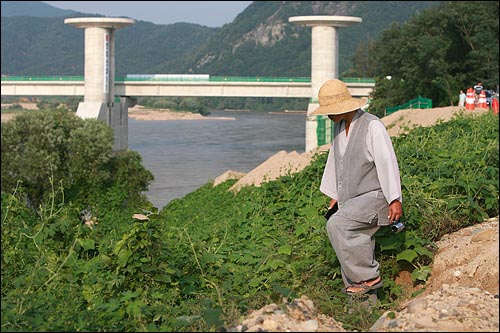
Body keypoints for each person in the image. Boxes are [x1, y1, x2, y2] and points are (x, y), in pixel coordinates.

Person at [310, 79, 403, 296]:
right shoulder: (339, 126)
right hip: (353, 200)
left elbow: (386, 161)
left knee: (338, 226)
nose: (328, 115)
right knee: (352, 247)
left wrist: (394, 198)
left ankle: (369, 277)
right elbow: (336, 160)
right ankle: (363, 311)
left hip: (376, 197)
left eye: (330, 110)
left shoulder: (372, 126)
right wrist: (335, 194)